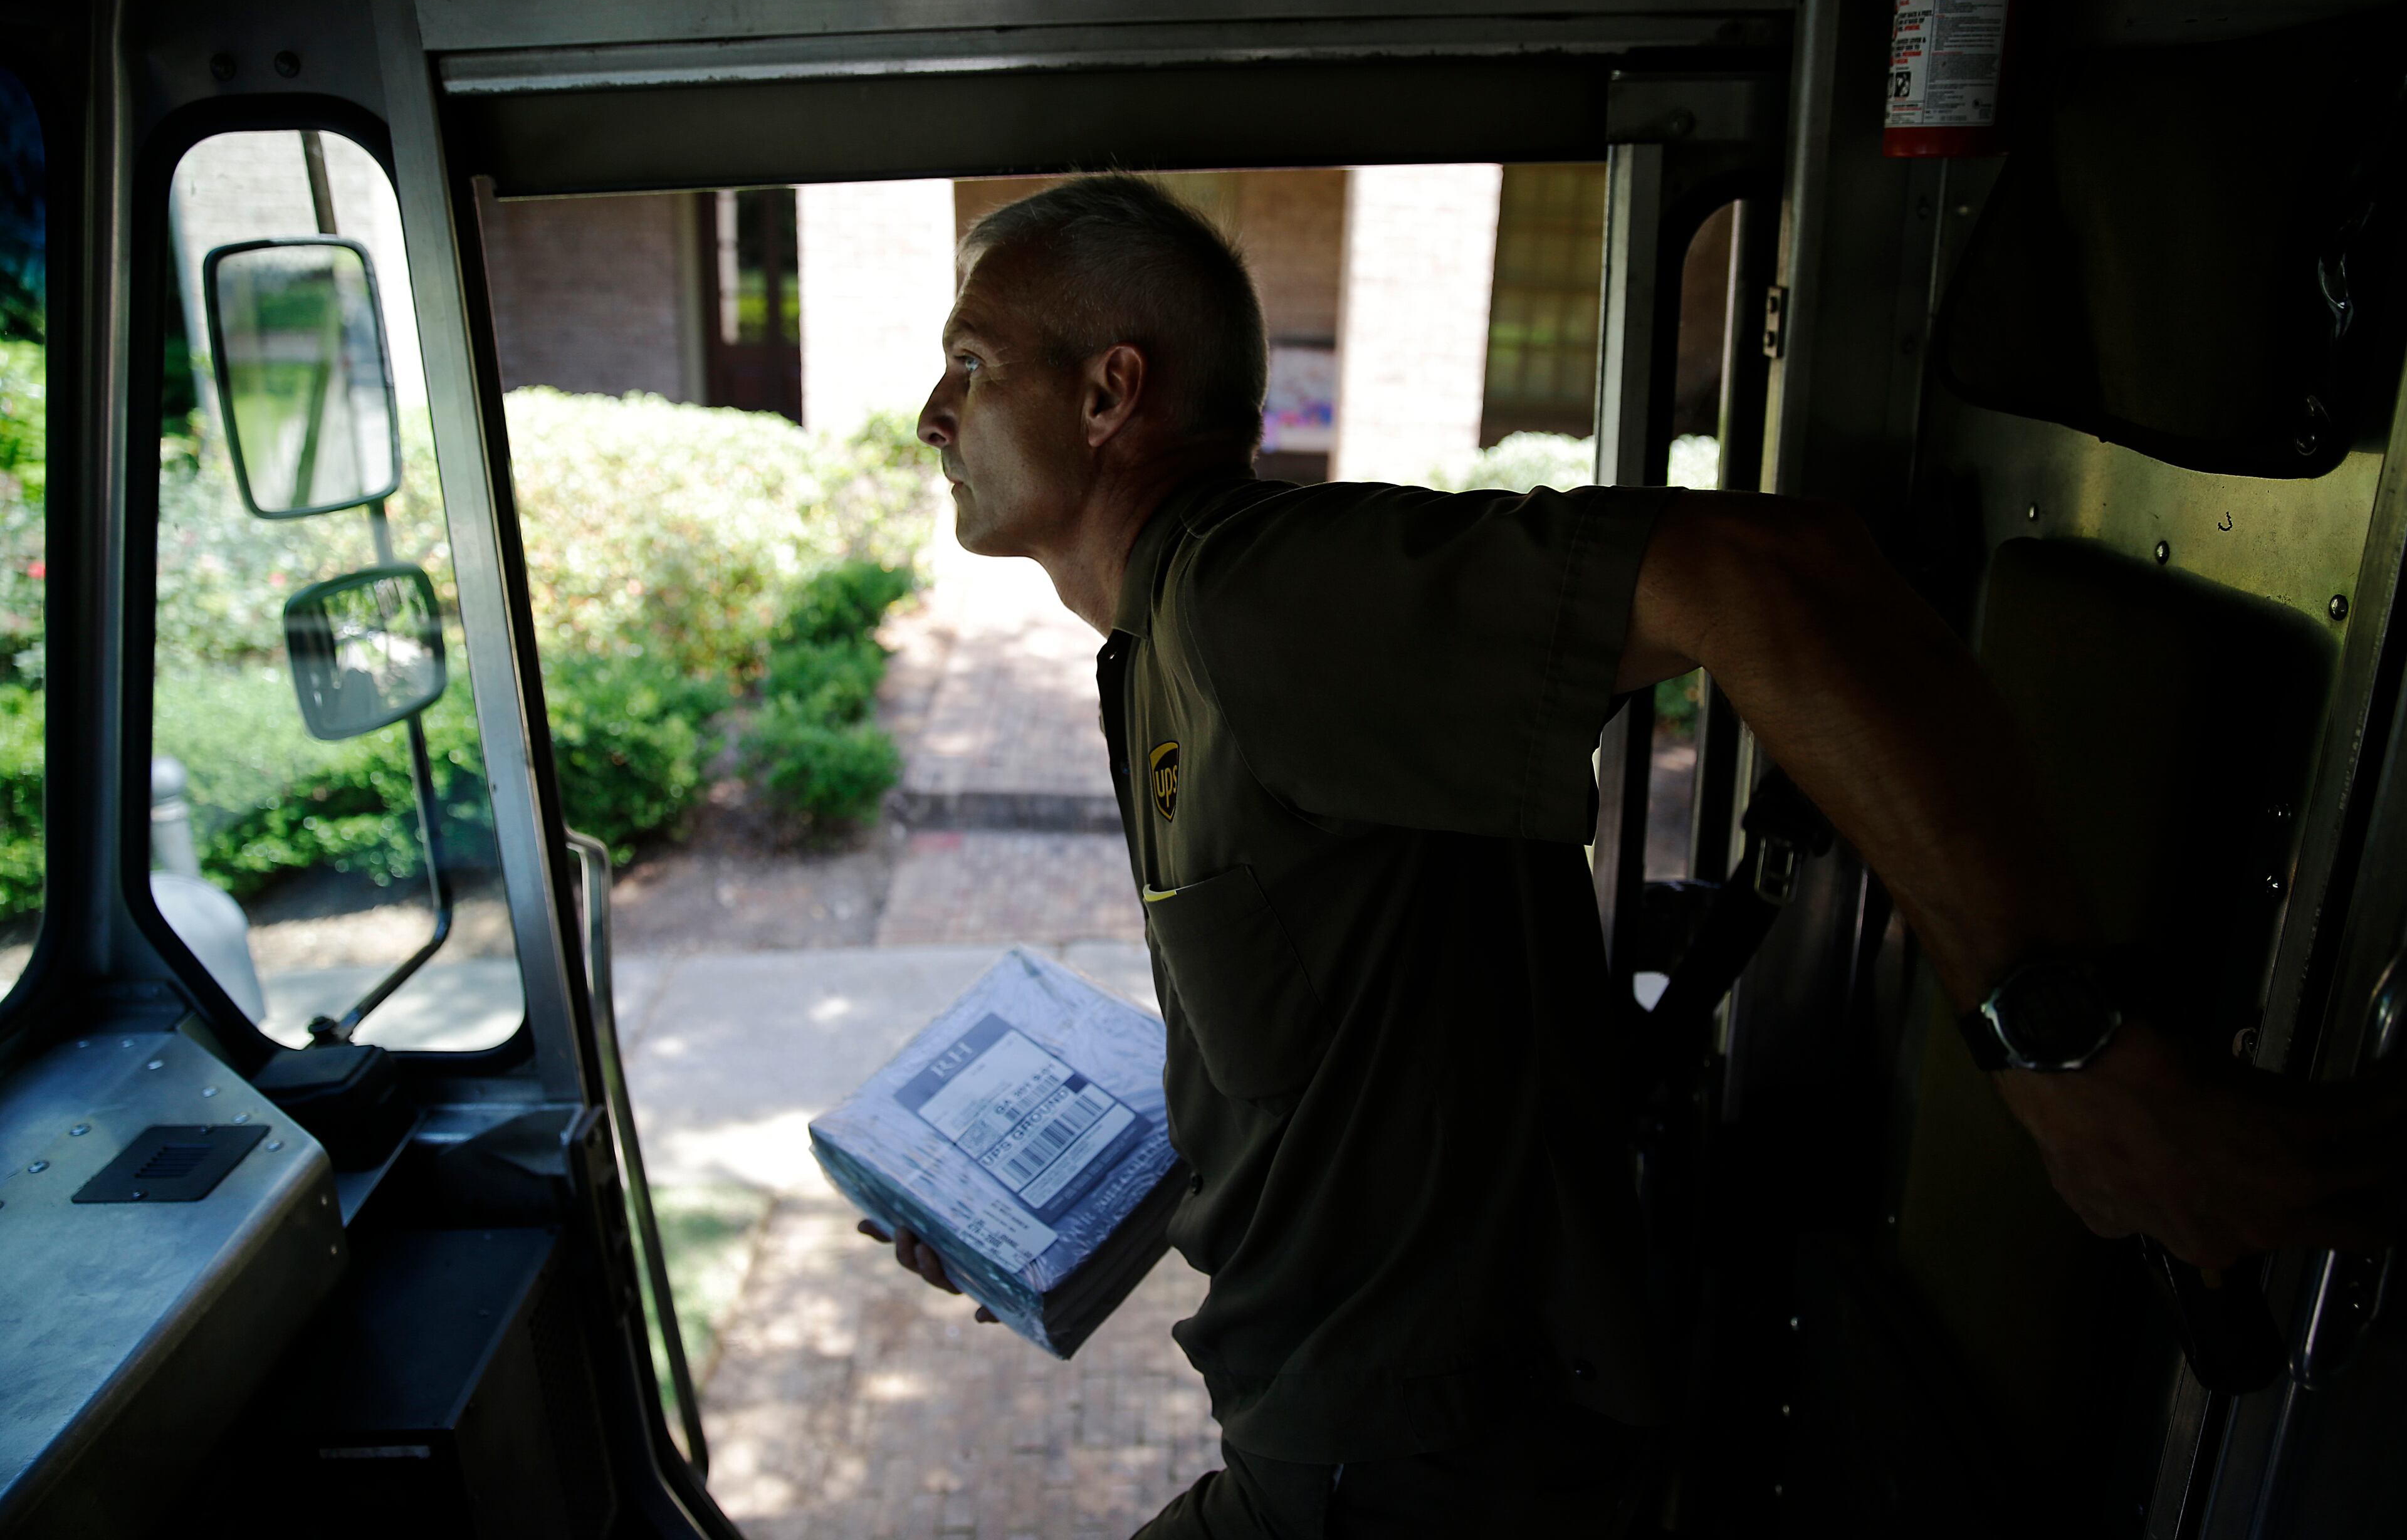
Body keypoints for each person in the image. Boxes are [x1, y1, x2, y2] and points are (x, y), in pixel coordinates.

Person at [860, 173, 2399, 1537]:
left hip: (1420, 1473)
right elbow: (1336, 1058)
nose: (937, 415)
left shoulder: (1259, 602)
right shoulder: (1160, 655)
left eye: (972, 367)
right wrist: (1052, 1220)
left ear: (1111, 390)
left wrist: (2071, 1054)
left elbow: (1769, 572)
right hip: (1331, 1446)